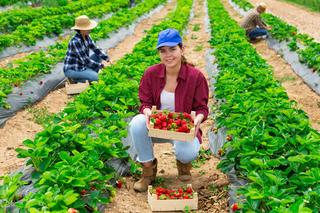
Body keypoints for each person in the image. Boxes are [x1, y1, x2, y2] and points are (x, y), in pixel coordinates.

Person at [128, 28, 209, 192]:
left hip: (182, 129)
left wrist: (198, 119)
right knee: (137, 123)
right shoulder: (151, 74)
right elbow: (145, 103)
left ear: (181, 49)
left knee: (187, 153)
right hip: (157, 126)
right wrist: (147, 112)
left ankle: (183, 164)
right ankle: (148, 171)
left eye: (173, 49)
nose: (168, 55)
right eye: (163, 50)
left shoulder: (195, 77)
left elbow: (202, 108)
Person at [63, 15, 110, 83]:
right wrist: (101, 66)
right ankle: (76, 79)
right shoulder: (75, 41)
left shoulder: (87, 36)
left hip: (83, 65)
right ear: (81, 29)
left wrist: (106, 58)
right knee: (98, 78)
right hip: (73, 69)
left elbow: (96, 49)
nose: (90, 29)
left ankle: (88, 75)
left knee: (98, 55)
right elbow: (86, 60)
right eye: (88, 28)